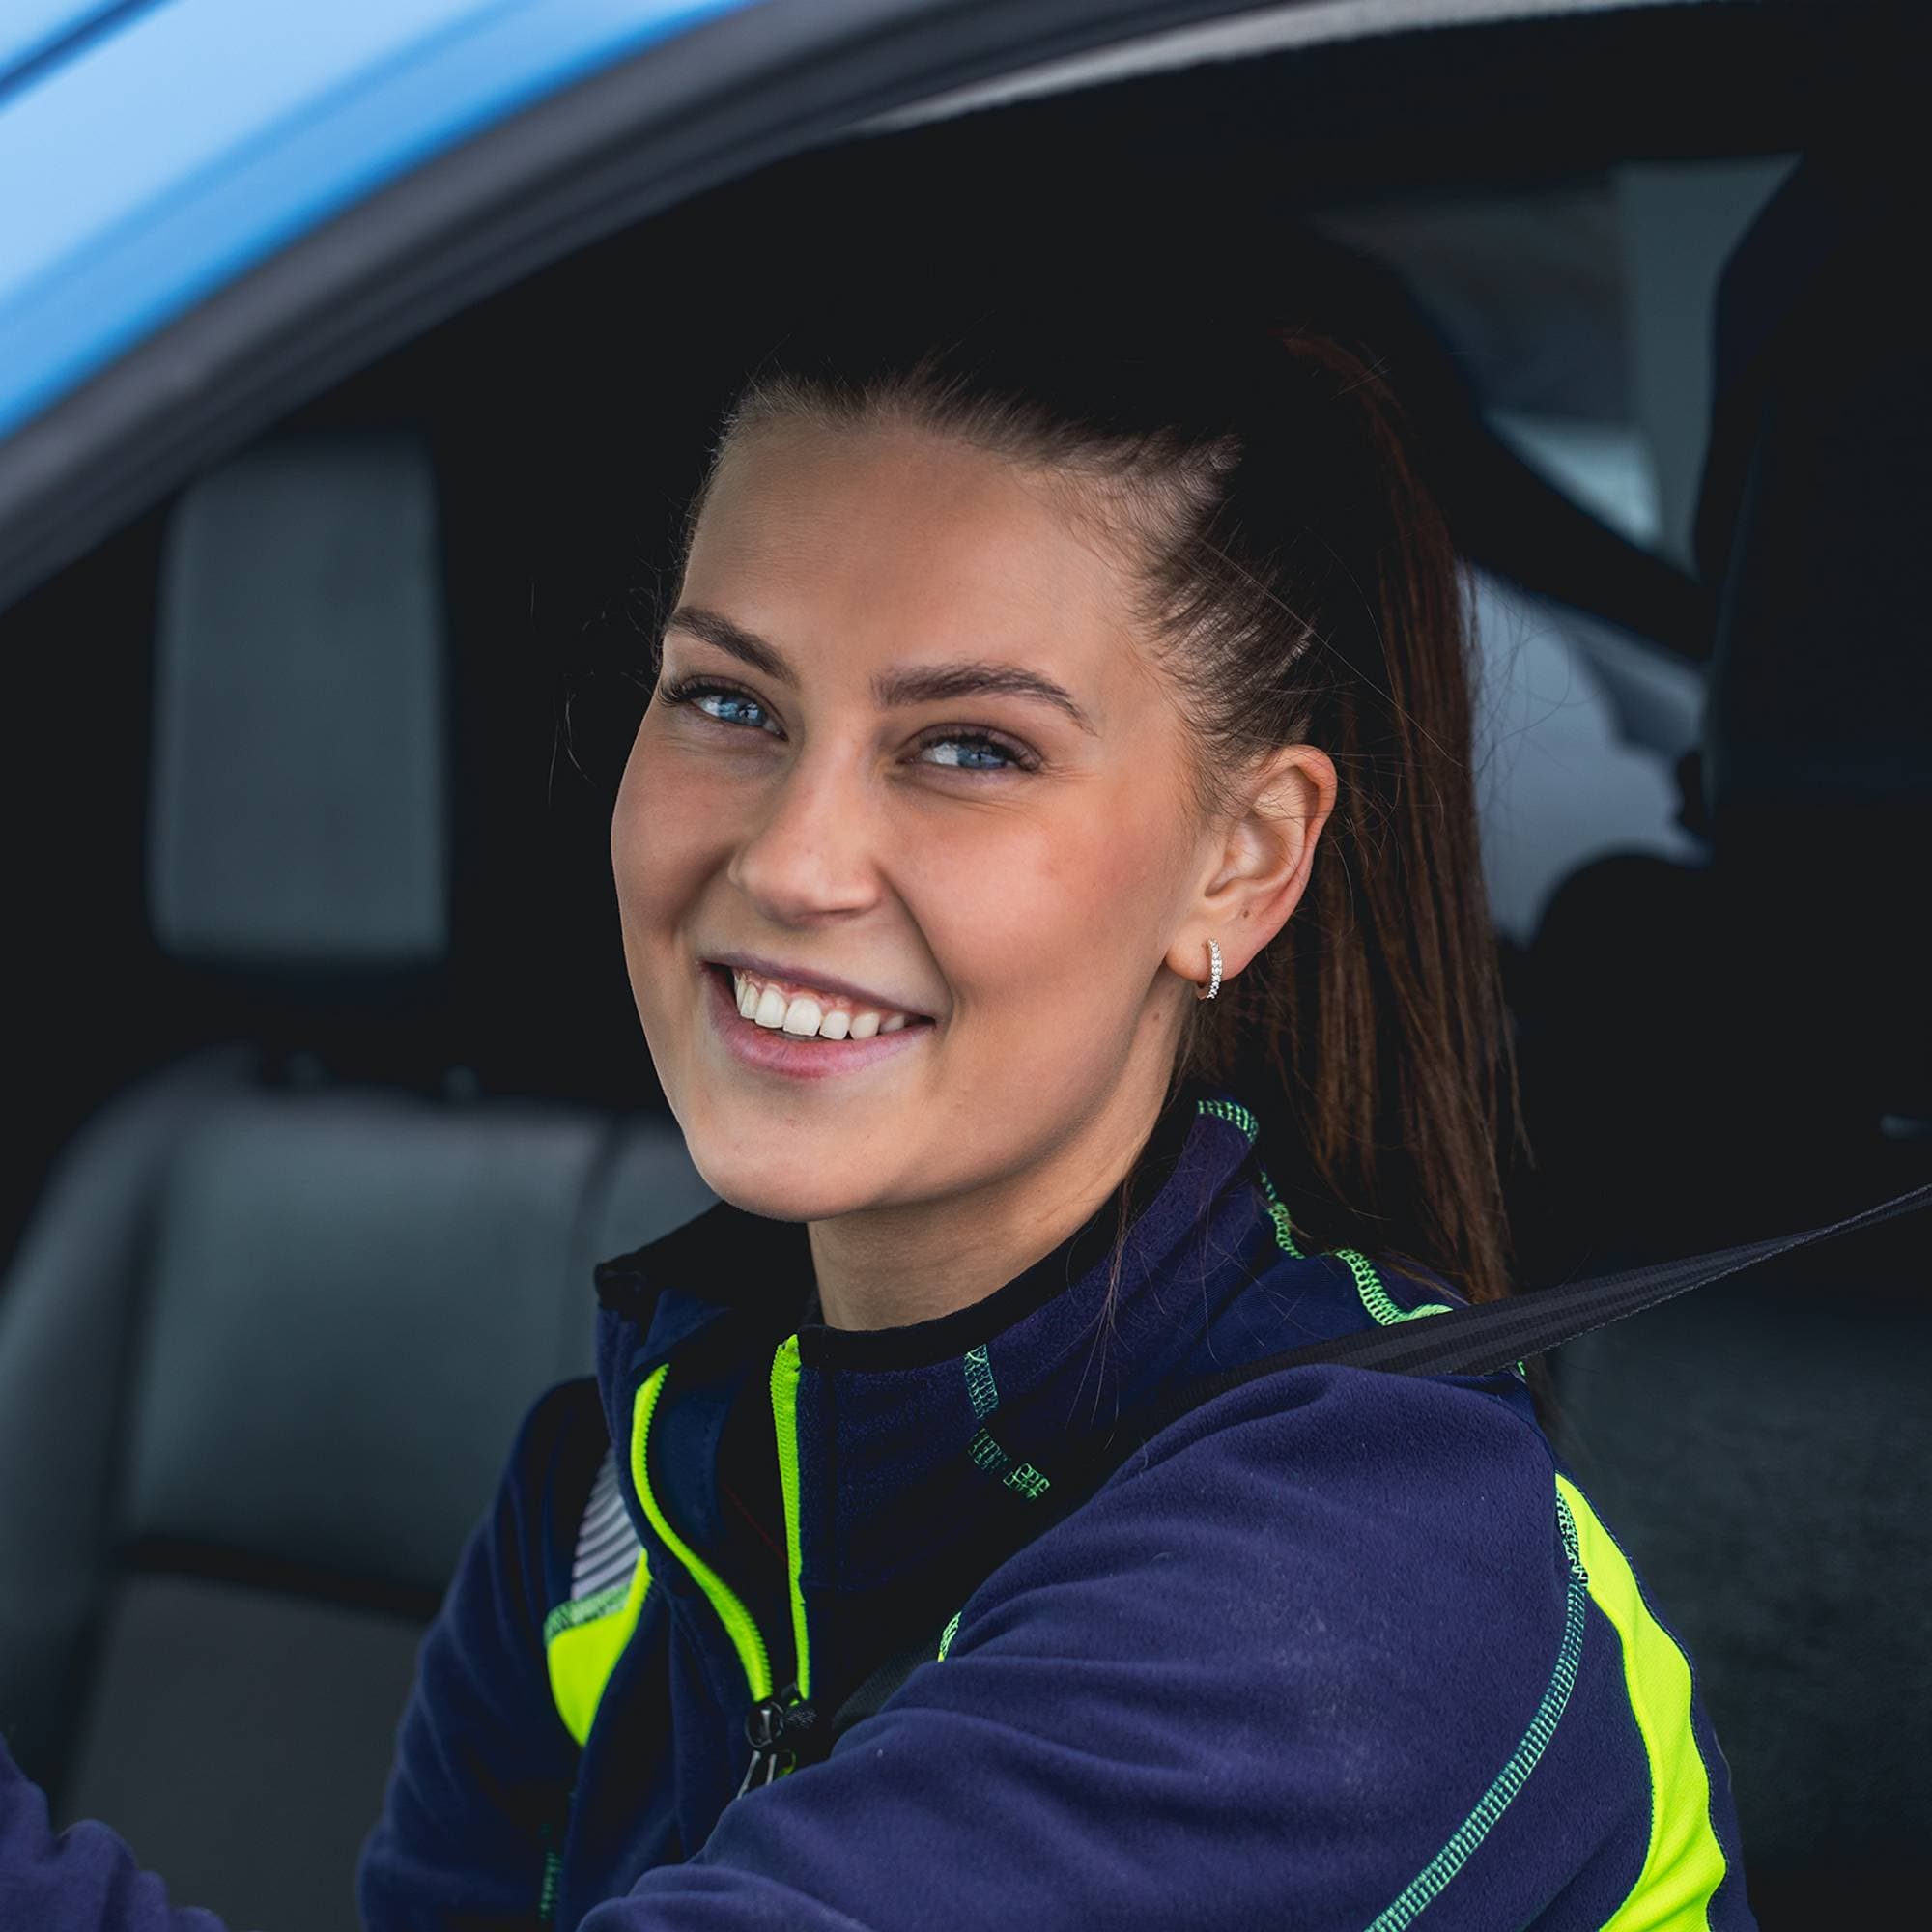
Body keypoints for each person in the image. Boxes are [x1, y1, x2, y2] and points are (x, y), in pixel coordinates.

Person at [0, 278, 1754, 1929]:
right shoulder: (616, 1493)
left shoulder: (1371, 1573)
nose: (790, 856)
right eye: (727, 701)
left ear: (1244, 860)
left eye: (970, 746)